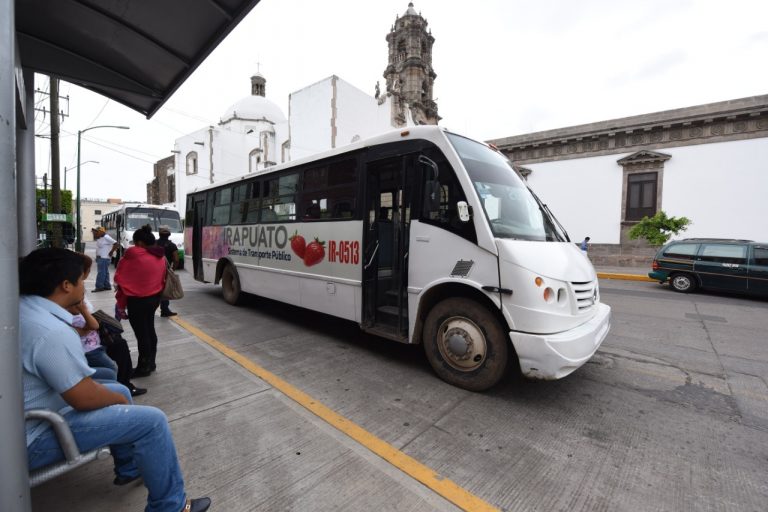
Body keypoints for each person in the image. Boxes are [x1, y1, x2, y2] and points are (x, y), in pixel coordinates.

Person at [20, 248, 210, 512]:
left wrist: (118, 394)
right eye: (79, 280)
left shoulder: (25, 309)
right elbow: (83, 397)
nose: (83, 286)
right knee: (151, 421)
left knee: (118, 386)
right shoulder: (50, 332)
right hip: (31, 437)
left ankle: (128, 467)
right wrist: (119, 400)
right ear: (65, 286)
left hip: (31, 414)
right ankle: (171, 506)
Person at [115, 224, 166, 377]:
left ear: (139, 243)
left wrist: (121, 305)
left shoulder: (133, 254)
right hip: (154, 299)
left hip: (137, 301)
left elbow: (122, 280)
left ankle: (143, 367)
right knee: (150, 330)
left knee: (142, 334)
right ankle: (151, 363)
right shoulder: (160, 256)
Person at [155, 225, 179, 317]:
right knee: (165, 289)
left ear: (159, 234)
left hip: (153, 270)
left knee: (154, 289)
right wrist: (172, 270)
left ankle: (152, 308)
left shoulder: (154, 243)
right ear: (169, 234)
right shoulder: (172, 245)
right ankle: (164, 310)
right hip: (165, 271)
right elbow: (176, 259)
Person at [92, 226, 118, 292]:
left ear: (101, 232)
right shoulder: (100, 237)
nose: (95, 233)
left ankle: (99, 287)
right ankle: (107, 286)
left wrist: (111, 252)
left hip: (104, 258)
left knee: (101, 273)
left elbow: (116, 243)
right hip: (101, 258)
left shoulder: (106, 237)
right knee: (105, 272)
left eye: (97, 232)